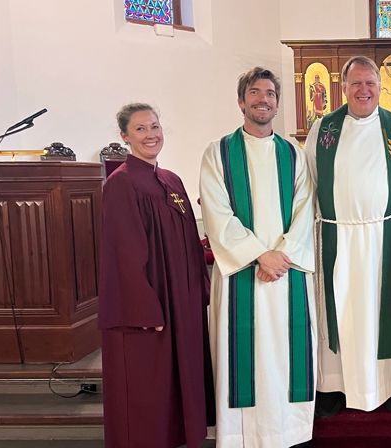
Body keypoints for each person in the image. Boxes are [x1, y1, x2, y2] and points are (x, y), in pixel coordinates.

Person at [304, 55, 391, 417]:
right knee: (337, 311)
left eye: (370, 83)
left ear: (380, 87)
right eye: (355, 83)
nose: (363, 89)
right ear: (343, 87)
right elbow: (307, 185)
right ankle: (333, 385)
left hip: (386, 236)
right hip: (336, 238)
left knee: (385, 313)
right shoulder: (324, 129)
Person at [200, 67, 317, 447]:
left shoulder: (294, 154)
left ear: (277, 104)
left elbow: (305, 208)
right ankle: (242, 436)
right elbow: (217, 214)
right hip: (242, 277)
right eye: (254, 92)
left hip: (286, 275)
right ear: (241, 101)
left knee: (286, 351)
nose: (263, 99)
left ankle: (289, 430)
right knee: (243, 354)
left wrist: (280, 256)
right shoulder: (218, 153)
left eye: (270, 93)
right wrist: (257, 256)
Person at [99, 103, 213, 448]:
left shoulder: (171, 180)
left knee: (178, 383)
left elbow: (192, 243)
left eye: (155, 126)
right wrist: (143, 307)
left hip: (182, 299)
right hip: (152, 304)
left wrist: (200, 289)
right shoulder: (121, 184)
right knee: (148, 388)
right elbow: (123, 252)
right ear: (124, 137)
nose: (151, 135)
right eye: (140, 129)